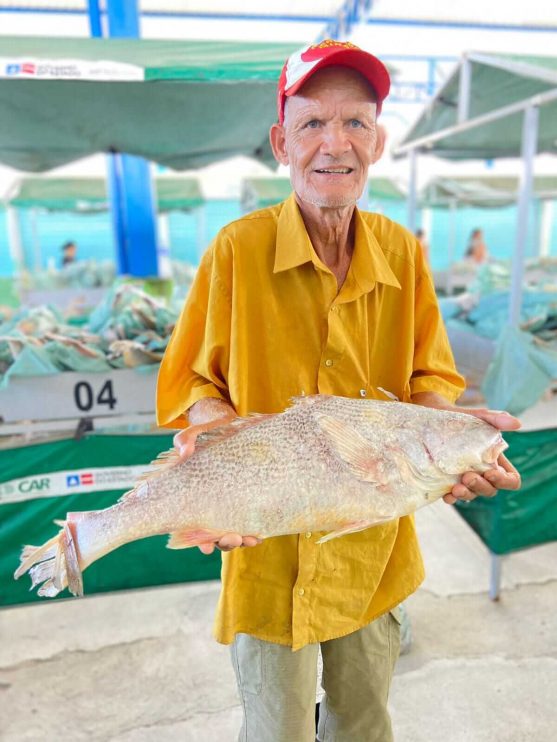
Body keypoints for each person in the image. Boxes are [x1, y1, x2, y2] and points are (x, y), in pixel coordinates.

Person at [157, 40, 521, 742]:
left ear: (378, 141)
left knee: (363, 720)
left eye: (355, 122)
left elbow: (429, 375)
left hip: (371, 543)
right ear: (279, 142)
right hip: (264, 540)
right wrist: (218, 429)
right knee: (277, 726)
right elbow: (191, 379)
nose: (335, 144)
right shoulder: (236, 249)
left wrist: (449, 438)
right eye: (311, 124)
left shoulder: (401, 251)